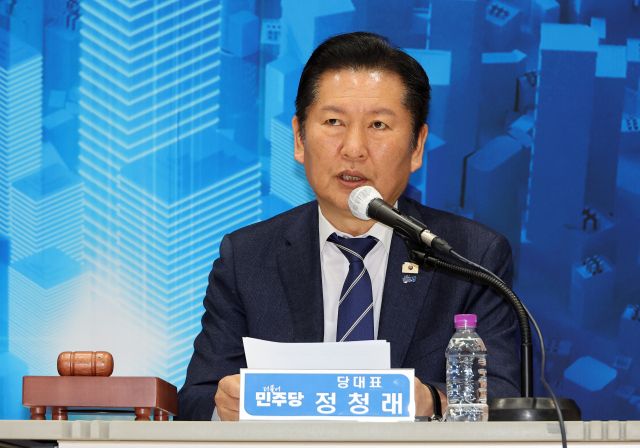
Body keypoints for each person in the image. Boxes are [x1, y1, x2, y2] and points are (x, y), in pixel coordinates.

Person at [178, 32, 520, 421]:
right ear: (299, 139)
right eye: (334, 122)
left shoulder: (469, 257)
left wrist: (432, 400)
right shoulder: (248, 258)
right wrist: (224, 407)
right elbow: (195, 401)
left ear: (417, 146)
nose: (353, 148)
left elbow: (504, 400)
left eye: (378, 124)